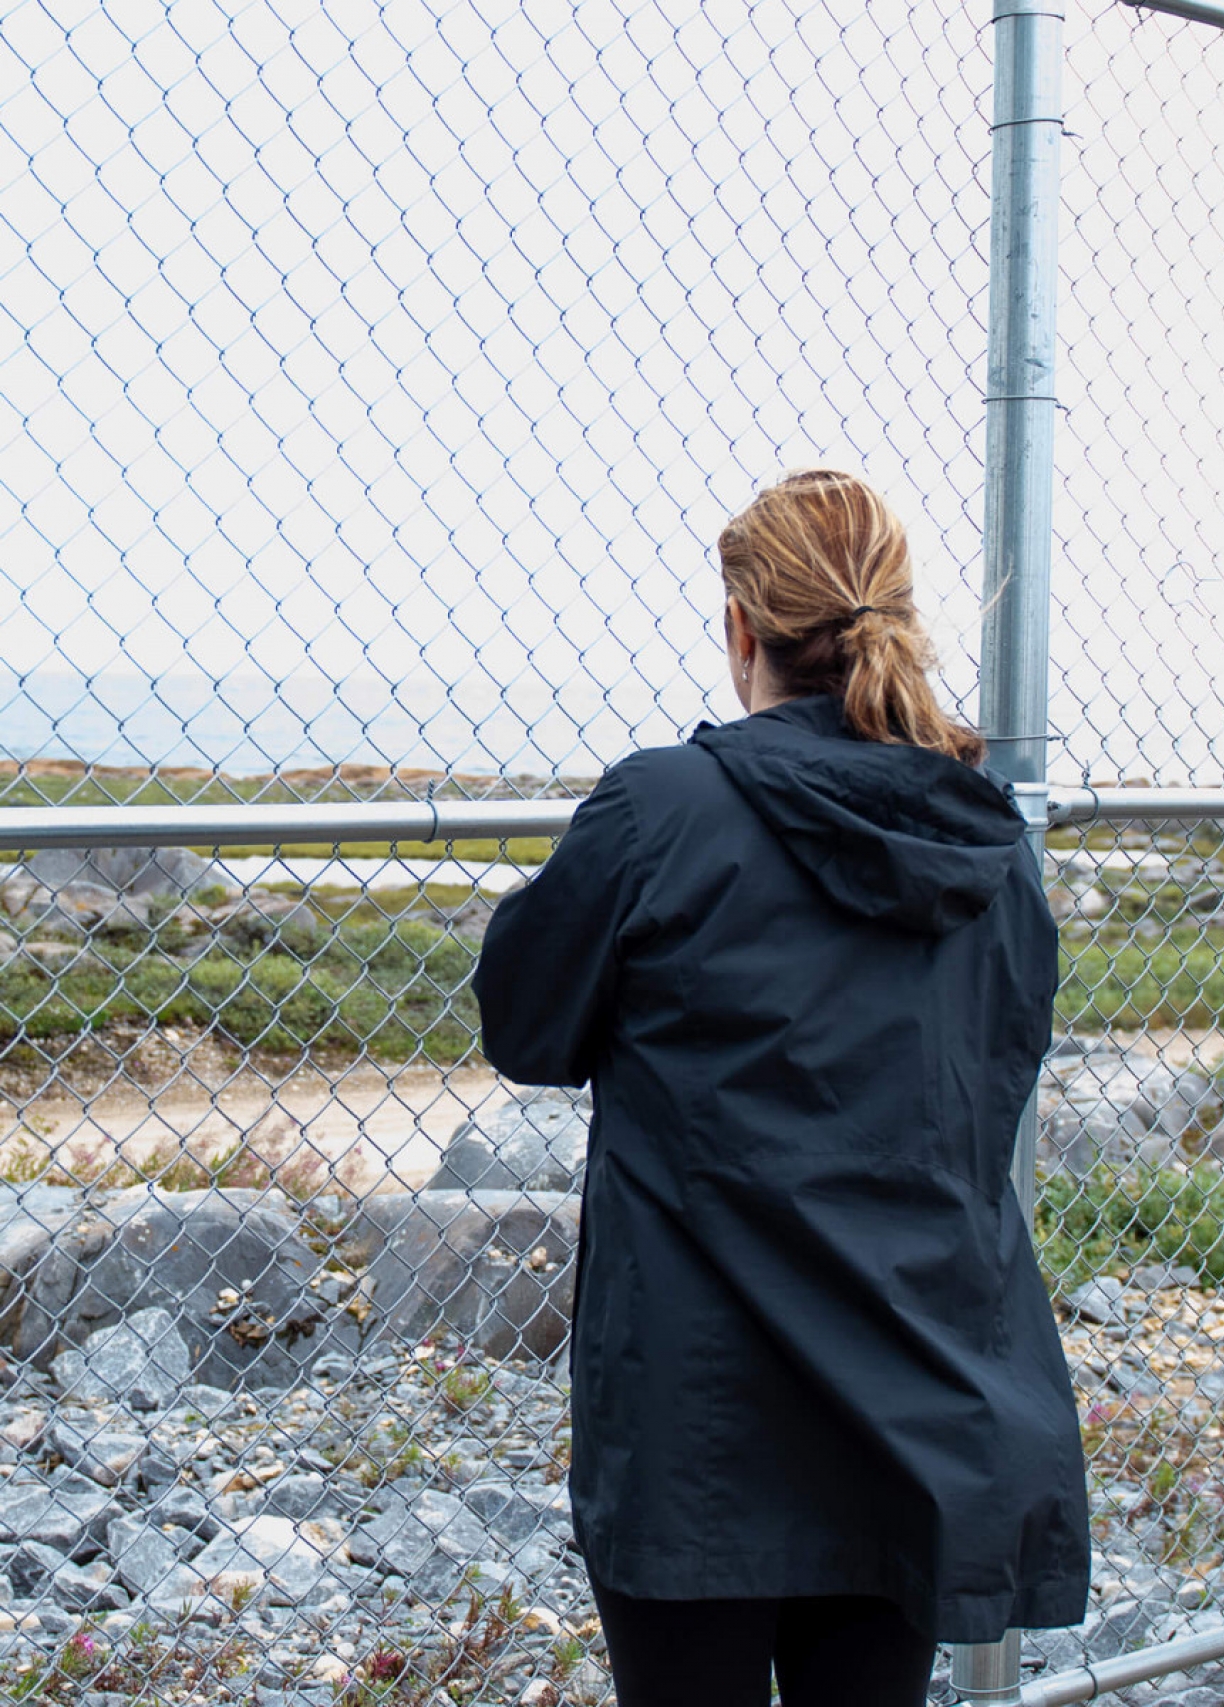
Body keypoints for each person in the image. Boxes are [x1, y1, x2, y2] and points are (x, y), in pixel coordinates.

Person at [473, 469, 1088, 1707]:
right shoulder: (981, 836)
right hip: (920, 1383)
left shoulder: (662, 809)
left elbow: (526, 1026)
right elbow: (999, 1072)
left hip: (699, 1410)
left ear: (741, 626)